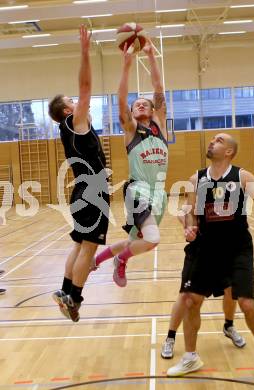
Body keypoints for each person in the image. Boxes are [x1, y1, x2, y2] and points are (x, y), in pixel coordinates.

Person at [167, 133, 254, 381]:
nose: (212, 141)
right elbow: (190, 214)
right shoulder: (195, 179)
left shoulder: (242, 176)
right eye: (212, 139)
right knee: (189, 300)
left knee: (247, 303)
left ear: (229, 151)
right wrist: (188, 226)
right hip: (205, 249)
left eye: (219, 140)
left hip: (237, 248)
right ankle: (190, 357)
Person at [94, 38, 168, 287]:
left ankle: (99, 259)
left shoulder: (160, 127)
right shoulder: (131, 129)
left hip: (159, 194)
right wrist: (126, 64)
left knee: (137, 241)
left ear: (153, 110)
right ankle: (121, 262)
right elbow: (121, 97)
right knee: (153, 238)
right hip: (138, 190)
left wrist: (150, 56)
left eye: (144, 103)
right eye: (136, 104)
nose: (140, 104)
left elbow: (158, 88)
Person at [48, 25, 109, 322]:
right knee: (89, 247)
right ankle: (75, 298)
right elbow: (86, 87)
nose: (78, 101)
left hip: (81, 191)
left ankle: (64, 290)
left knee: (79, 244)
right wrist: (85, 52)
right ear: (67, 110)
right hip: (93, 191)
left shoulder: (66, 128)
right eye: (72, 101)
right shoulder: (75, 120)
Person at [161, 206, 245, 359]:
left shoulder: (228, 189)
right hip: (198, 252)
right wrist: (187, 224)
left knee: (231, 290)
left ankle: (229, 326)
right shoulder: (198, 187)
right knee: (186, 297)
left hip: (222, 252)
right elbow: (181, 211)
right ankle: (170, 337)